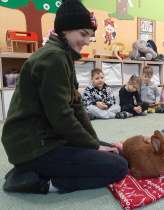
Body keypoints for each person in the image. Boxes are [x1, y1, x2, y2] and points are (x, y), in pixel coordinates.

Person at [1, 0, 128, 194]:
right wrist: (93, 146)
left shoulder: (65, 55)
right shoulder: (53, 57)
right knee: (118, 168)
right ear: (64, 30)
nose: (87, 41)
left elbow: (76, 107)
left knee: (120, 155)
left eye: (90, 36)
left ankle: (31, 169)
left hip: (50, 138)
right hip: (34, 146)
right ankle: (41, 182)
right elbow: (62, 116)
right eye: (83, 34)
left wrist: (93, 143)